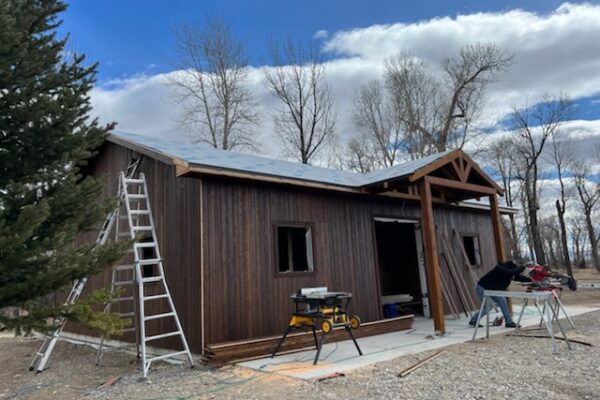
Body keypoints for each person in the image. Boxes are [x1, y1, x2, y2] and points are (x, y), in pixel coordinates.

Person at [468, 260, 531, 328]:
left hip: (492, 289)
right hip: (482, 288)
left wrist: (532, 280)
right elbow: (511, 272)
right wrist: (523, 266)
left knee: (503, 302)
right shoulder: (499, 268)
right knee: (488, 307)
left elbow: (518, 277)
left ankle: (509, 322)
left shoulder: (508, 272)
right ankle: (474, 320)